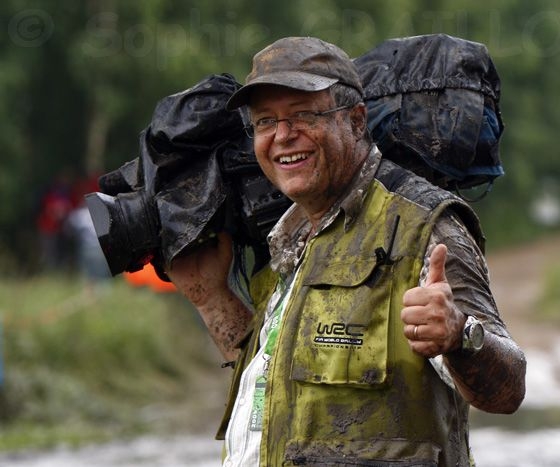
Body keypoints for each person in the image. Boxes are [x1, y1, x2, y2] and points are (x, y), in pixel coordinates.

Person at [166, 36, 526, 467]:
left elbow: (510, 389)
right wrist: (211, 299)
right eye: (265, 121)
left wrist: (459, 333)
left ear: (356, 121)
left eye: (303, 115)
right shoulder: (288, 239)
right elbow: (275, 385)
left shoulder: (421, 225)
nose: (282, 135)